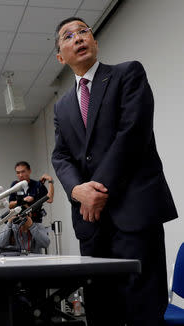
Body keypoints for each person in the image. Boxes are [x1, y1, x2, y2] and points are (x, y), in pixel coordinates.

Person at [51, 17, 178, 326]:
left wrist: (95, 189)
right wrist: (76, 190)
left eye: (84, 31)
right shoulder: (63, 105)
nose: (79, 38)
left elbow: (132, 134)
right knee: (100, 310)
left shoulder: (128, 74)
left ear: (94, 41)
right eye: (69, 36)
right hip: (92, 224)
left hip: (134, 213)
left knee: (143, 311)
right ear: (60, 56)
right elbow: (61, 156)